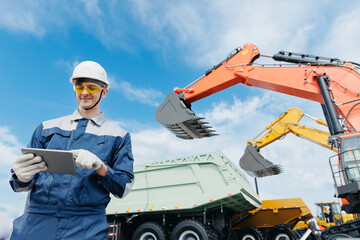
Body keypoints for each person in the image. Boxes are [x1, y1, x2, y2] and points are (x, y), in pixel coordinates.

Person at [9, 61, 134, 239]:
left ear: (103, 92)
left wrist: (101, 167)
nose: (84, 93)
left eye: (91, 88)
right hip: (37, 219)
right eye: (79, 86)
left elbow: (124, 187)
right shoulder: (47, 128)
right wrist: (21, 177)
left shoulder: (118, 136)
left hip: (85, 225)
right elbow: (21, 184)